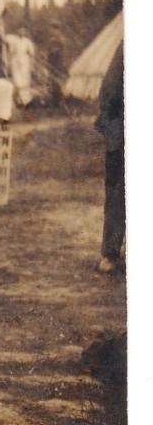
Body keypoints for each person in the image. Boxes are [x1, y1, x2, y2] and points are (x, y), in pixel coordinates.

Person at [95, 40, 125, 275]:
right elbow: (110, 92)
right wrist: (114, 129)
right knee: (118, 192)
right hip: (124, 131)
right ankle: (111, 251)